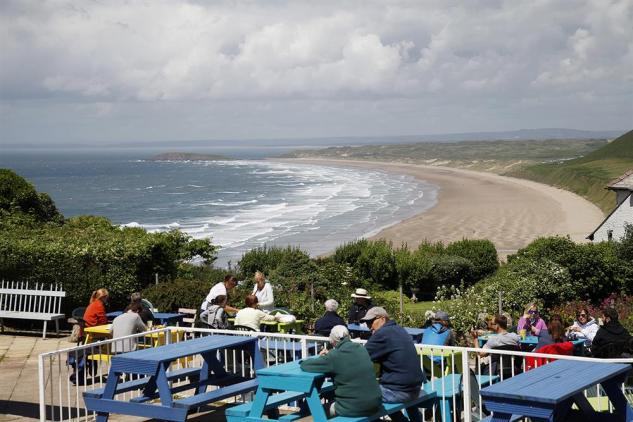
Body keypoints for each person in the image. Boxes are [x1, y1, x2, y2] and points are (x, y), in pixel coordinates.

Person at [300, 325, 383, 417]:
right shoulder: (361, 349)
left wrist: (322, 357)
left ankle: (304, 412)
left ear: (332, 341)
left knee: (317, 411)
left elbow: (306, 365)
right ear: (349, 336)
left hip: (352, 407)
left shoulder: (334, 356)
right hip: (375, 403)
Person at [362, 307, 424, 422]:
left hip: (400, 391)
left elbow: (359, 357)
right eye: (366, 323)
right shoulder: (400, 329)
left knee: (362, 393)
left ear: (382, 318)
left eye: (371, 322)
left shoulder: (382, 333)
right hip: (416, 388)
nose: (369, 326)